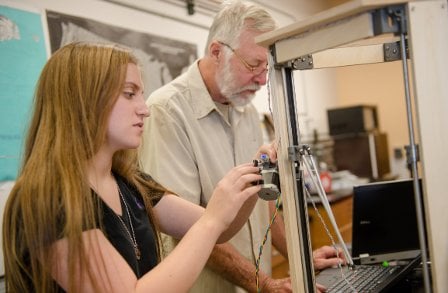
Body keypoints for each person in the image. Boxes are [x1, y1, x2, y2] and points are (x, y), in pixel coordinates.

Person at [2, 42, 274, 293]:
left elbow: (221, 229)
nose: (144, 109)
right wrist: (212, 220)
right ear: (84, 100)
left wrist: (255, 177)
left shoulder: (130, 182)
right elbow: (210, 224)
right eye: (129, 94)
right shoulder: (46, 199)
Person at [139, 1, 345, 292]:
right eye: (253, 65)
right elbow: (188, 231)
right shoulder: (166, 112)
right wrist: (263, 284)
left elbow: (263, 202)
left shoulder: (245, 109)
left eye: (267, 67)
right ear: (216, 52)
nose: (262, 79)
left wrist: (302, 259)